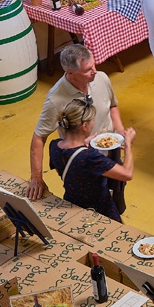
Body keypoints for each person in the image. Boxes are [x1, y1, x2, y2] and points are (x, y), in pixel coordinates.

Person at [28, 43, 124, 200]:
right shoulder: (55, 99)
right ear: (70, 73)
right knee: (89, 207)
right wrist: (36, 177)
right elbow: (39, 137)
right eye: (87, 70)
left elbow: (112, 106)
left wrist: (120, 131)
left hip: (111, 152)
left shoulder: (101, 78)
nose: (94, 72)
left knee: (116, 197)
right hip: (83, 162)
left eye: (94, 65)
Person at [48, 96, 136, 221]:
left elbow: (66, 171)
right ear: (84, 126)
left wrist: (83, 144)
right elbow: (127, 174)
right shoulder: (89, 157)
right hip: (100, 211)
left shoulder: (54, 146)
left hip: (72, 207)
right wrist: (127, 145)